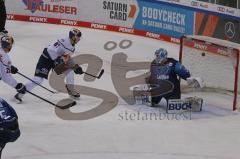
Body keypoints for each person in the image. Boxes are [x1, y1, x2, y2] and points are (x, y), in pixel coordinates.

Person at [14, 28, 84, 102]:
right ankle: (20, 93)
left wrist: (76, 67)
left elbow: (67, 58)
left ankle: (70, 90)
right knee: (38, 79)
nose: (79, 39)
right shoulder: (62, 41)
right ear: (72, 37)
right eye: (78, 37)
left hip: (56, 61)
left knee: (70, 71)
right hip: (46, 59)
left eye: (79, 37)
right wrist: (57, 60)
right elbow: (50, 50)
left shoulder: (72, 47)